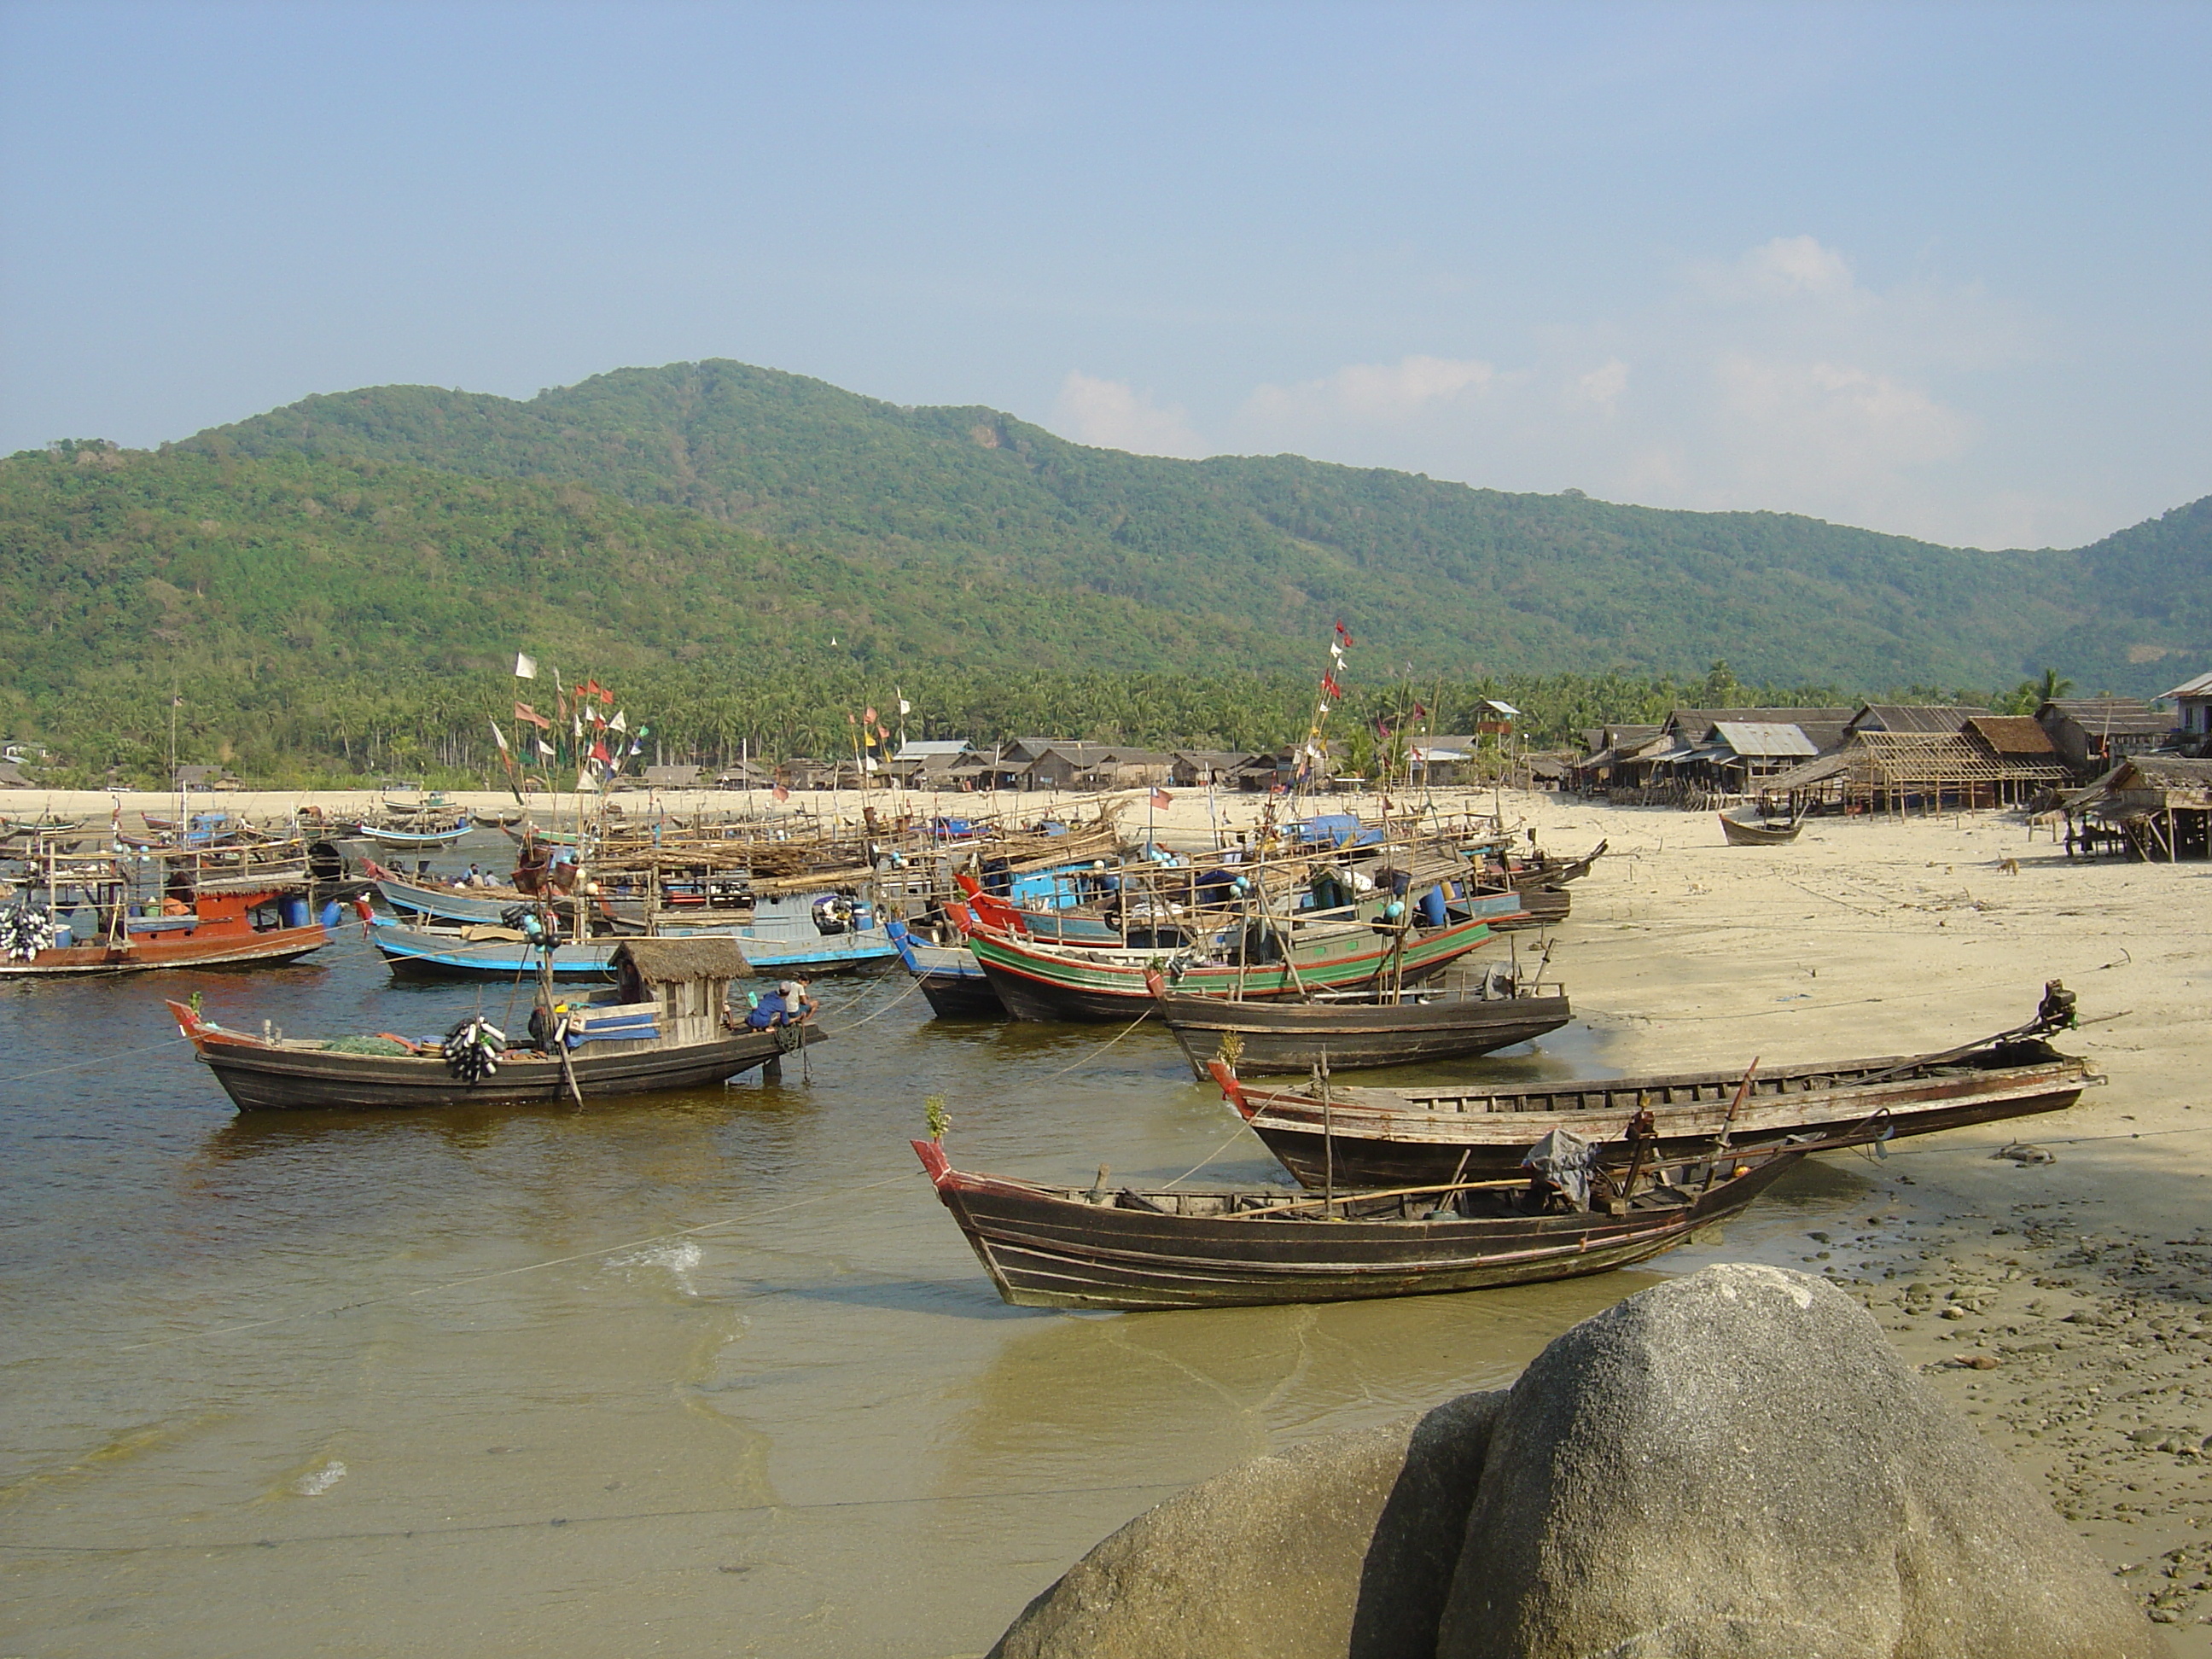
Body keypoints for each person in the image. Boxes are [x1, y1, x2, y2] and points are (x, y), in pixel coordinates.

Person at [746, 979, 817, 1030]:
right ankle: (767, 1027)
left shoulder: (770, 994)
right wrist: (798, 1018)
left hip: (751, 1019)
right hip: (764, 1022)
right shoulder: (782, 1005)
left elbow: (765, 997)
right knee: (777, 1017)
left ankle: (755, 1027)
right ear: (789, 993)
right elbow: (785, 1022)